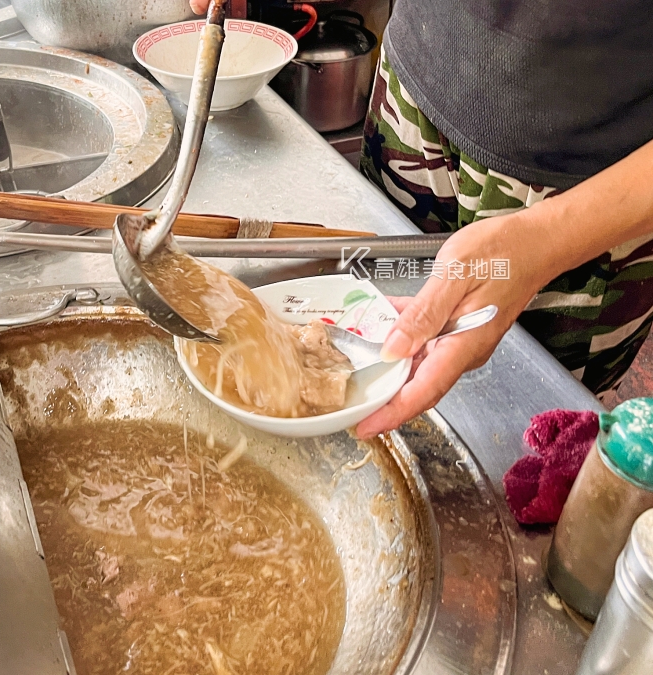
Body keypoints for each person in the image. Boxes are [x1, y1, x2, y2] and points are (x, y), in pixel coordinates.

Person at [189, 0, 653, 438]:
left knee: (524, 423)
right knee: (387, 336)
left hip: (592, 186)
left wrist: (545, 240)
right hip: (411, 98)